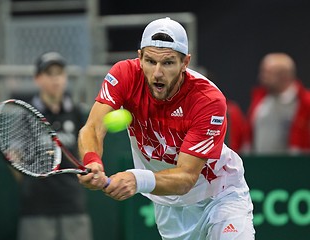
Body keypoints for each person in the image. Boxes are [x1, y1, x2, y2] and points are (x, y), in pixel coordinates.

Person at [77, 17, 255, 240]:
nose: (157, 73)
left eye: (168, 63)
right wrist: (92, 160)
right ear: (139, 57)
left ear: (185, 62)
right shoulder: (124, 75)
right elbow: (92, 128)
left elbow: (187, 177)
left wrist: (136, 179)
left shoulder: (207, 100)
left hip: (219, 194)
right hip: (168, 204)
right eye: (150, 61)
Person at [17, 52, 92, 240]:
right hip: (37, 208)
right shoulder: (27, 114)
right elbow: (15, 159)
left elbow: (85, 148)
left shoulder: (75, 112)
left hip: (72, 205)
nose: (55, 79)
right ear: (38, 79)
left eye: (59, 73)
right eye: (49, 74)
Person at [247, 53, 310, 154]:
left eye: (267, 73)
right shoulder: (260, 100)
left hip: (295, 167)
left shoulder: (305, 103)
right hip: (261, 166)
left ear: (284, 76)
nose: (261, 77)